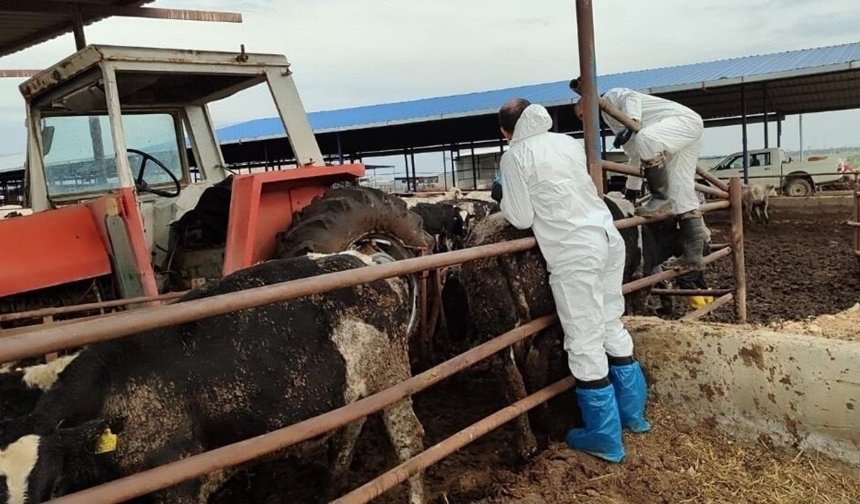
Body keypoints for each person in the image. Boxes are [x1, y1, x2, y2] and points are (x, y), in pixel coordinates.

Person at [493, 98, 650, 464]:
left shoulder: (514, 155)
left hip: (573, 251)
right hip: (608, 239)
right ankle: (634, 416)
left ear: (505, 132)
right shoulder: (566, 142)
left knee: (583, 338)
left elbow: (519, 216)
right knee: (611, 322)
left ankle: (604, 436)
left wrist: (502, 194)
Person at [571, 79, 706, 270]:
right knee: (681, 190)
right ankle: (693, 255)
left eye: (583, 115)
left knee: (646, 137)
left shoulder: (611, 97)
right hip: (682, 134)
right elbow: (634, 155)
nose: (585, 120)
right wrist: (631, 191)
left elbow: (631, 97)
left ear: (585, 103)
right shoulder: (612, 120)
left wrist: (633, 121)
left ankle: (659, 196)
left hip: (682, 121)